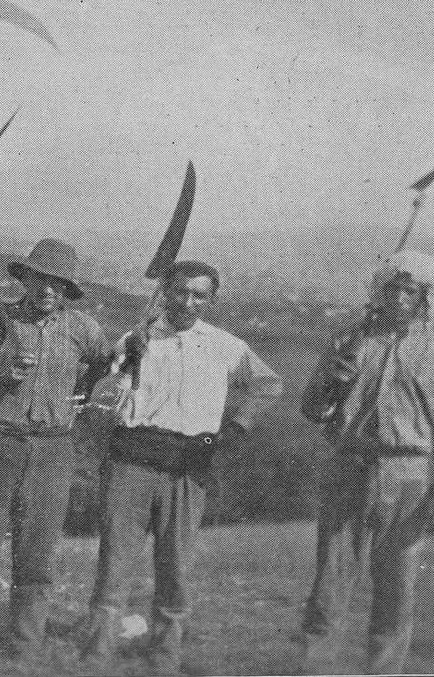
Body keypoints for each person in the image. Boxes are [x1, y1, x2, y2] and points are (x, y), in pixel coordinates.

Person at [79, 260, 282, 675]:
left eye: (199, 295)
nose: (188, 302)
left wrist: (237, 425)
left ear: (210, 299)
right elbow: (98, 393)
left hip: (189, 464)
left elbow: (268, 384)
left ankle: (165, 654)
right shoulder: (137, 337)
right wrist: (121, 364)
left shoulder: (225, 345)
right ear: (166, 292)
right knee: (115, 558)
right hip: (133, 459)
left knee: (176, 565)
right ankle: (97, 652)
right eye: (180, 292)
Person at [298, 249, 434, 675]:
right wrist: (332, 382)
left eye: (411, 291)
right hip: (350, 467)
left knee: (396, 588)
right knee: (331, 581)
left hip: (411, 476)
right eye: (393, 288)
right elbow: (313, 409)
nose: (401, 299)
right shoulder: (348, 341)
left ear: (427, 298)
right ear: (380, 292)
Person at [0, 238, 112, 659]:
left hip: (54, 450)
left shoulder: (83, 330)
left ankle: (25, 648)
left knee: (37, 555)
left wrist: (84, 391)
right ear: (26, 278)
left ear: (67, 289)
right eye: (42, 279)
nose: (49, 290)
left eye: (59, 284)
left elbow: (107, 366)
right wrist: (1, 377)